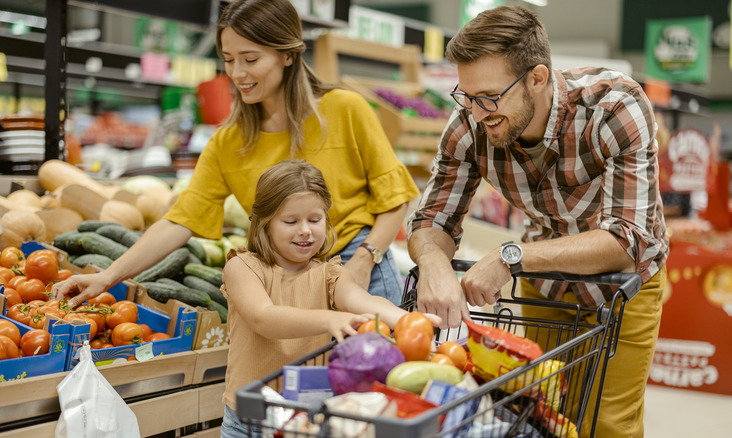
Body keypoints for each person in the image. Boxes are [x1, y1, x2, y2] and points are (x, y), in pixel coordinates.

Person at [407, 6, 668, 438]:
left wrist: (511, 256)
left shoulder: (614, 107)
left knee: (605, 425)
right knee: (539, 411)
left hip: (624, 286)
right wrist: (433, 264)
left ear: (538, 78)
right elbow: (433, 216)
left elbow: (628, 239)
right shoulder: (469, 126)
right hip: (545, 285)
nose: (475, 113)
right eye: (466, 97)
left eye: (489, 97)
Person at [53, 0, 419, 307]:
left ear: (287, 56)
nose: (237, 73)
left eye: (250, 59)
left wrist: (364, 259)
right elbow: (179, 221)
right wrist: (108, 276)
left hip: (359, 269)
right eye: (229, 59)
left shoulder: (344, 110)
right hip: (285, 281)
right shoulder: (229, 142)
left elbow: (394, 199)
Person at [219, 159, 440, 437]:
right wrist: (329, 319)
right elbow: (263, 317)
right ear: (265, 223)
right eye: (291, 221)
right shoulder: (243, 266)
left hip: (305, 422)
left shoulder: (328, 274)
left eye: (315, 220)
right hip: (247, 421)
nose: (305, 230)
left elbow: (362, 301)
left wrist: (410, 321)